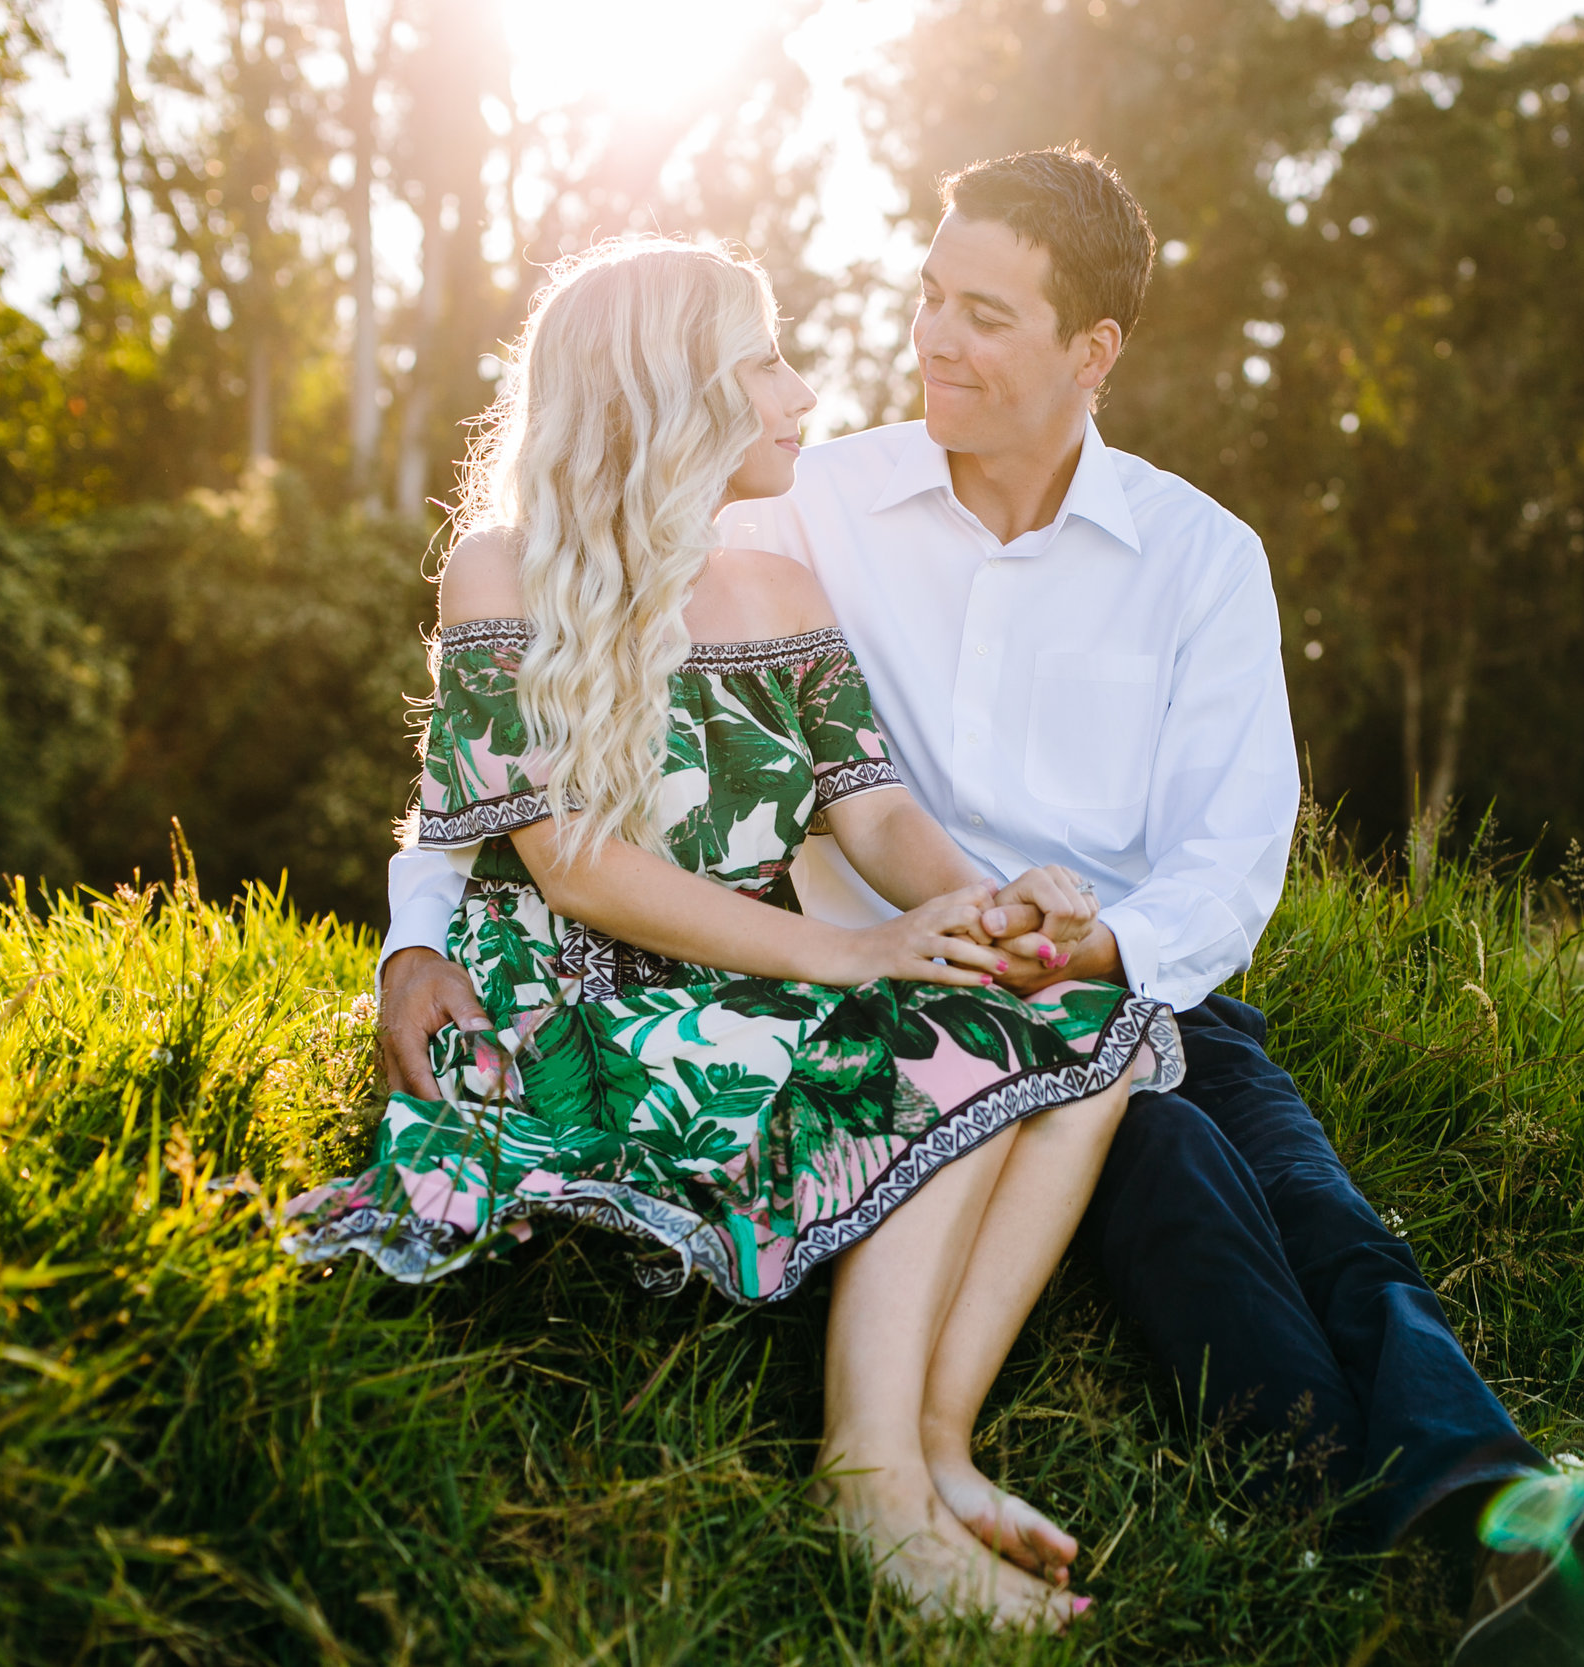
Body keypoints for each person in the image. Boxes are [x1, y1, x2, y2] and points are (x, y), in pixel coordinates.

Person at [377, 150, 1584, 1666]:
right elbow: (526, 756)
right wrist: (415, 929)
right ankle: (1447, 1559)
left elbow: (1232, 853)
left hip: (1116, 958)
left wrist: (1093, 945)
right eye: (929, 298)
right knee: (1187, 1194)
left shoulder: (1197, 559)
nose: (928, 340)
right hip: (912, 969)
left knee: (1321, 1209)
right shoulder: (812, 504)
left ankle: (1516, 1522)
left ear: (1090, 351)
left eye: (983, 315)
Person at [285, 237, 1186, 1632]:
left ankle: (936, 1446)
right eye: (764, 356)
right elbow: (573, 869)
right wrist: (862, 955)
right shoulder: (504, 572)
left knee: (1092, 1030)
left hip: (749, 967)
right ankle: (869, 1488)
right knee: (938, 1043)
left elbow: (876, 815)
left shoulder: (778, 589)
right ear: (671, 384)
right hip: (586, 994)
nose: (801, 388)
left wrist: (982, 904)